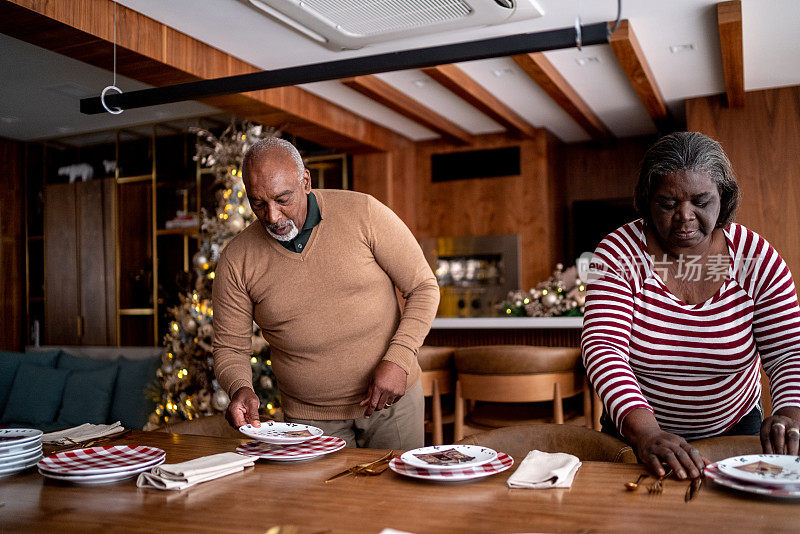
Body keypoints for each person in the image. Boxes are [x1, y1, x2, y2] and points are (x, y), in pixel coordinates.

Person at [581, 131, 800, 480]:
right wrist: (647, 432)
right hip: (638, 433)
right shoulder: (620, 253)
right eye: (668, 203)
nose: (685, 216)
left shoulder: (755, 258)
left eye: (701, 201)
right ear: (647, 200)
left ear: (723, 198)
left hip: (735, 427)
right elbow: (603, 347)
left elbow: (787, 352)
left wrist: (789, 414)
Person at [211, 137, 439, 449]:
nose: (273, 217)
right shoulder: (237, 259)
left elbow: (423, 287)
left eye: (283, 199)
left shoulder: (364, 213)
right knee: (324, 500)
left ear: (305, 181)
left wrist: (399, 359)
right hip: (309, 419)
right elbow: (230, 347)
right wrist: (239, 387)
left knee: (399, 497)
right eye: (259, 204)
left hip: (392, 404)